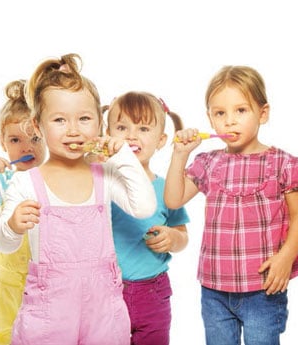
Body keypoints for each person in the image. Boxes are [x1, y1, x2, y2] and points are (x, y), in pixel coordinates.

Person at [0, 53, 156, 345]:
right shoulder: (25, 182)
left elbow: (144, 207)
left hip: (103, 314)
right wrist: (13, 226)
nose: (73, 130)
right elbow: (3, 243)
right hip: (48, 318)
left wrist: (124, 156)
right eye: (59, 120)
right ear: (37, 126)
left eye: (84, 118)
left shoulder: (104, 175)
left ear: (99, 124)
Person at [164, 65, 298, 345]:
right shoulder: (208, 162)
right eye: (220, 113)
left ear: (262, 113)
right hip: (215, 289)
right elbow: (174, 199)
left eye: (240, 111)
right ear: (210, 118)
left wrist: (286, 257)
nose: (230, 121)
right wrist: (180, 155)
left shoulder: (283, 163)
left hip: (263, 289)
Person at [105, 91, 190, 345]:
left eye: (143, 128)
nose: (131, 135)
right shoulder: (101, 184)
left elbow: (183, 237)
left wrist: (172, 238)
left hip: (153, 292)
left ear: (161, 140)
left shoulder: (168, 189)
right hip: (106, 291)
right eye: (121, 127)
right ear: (107, 134)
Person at [0, 79, 46, 345]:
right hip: (7, 280)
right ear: (2, 141)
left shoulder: (52, 179)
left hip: (46, 283)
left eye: (35, 138)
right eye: (15, 139)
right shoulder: (0, 179)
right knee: (3, 334)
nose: (26, 147)